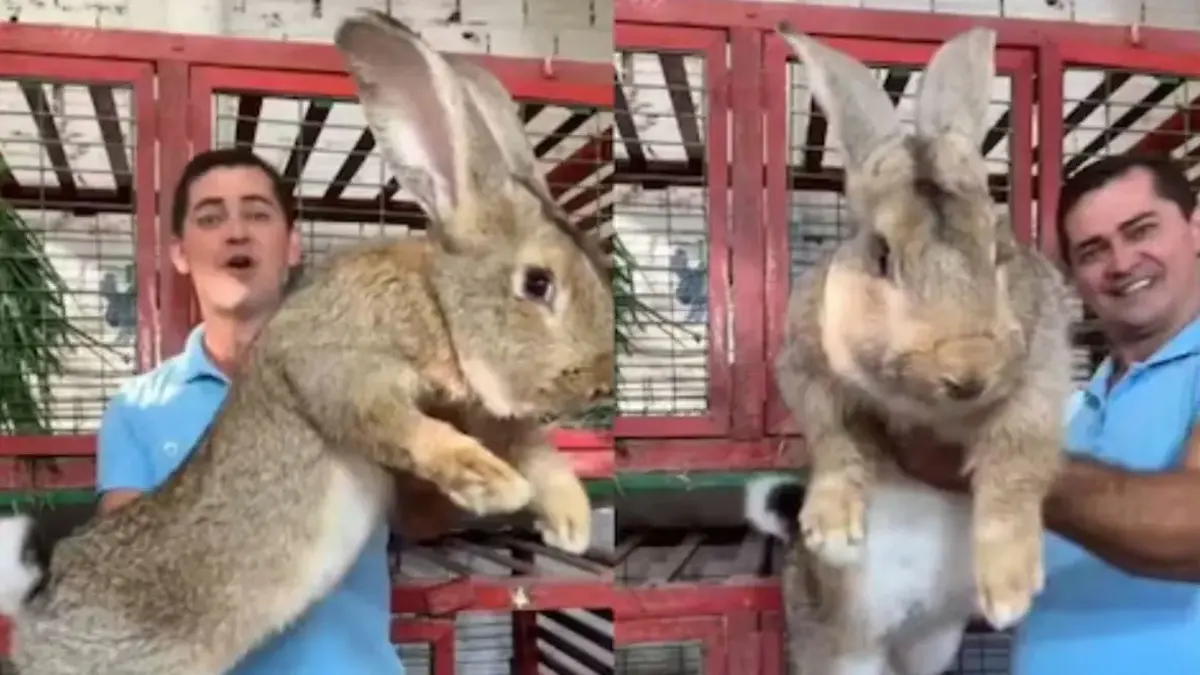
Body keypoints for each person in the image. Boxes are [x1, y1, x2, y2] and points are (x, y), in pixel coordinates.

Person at [95, 147, 404, 674]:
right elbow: (136, 574)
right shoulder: (136, 409)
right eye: (210, 217)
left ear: (292, 245)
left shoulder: (365, 380)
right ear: (180, 253)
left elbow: (434, 514)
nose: (236, 231)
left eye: (258, 213)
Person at [890, 154, 1200, 675]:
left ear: (1195, 229)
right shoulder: (1078, 407)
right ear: (1073, 276)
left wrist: (999, 463)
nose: (1121, 264)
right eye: (1092, 251)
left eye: (1141, 231)